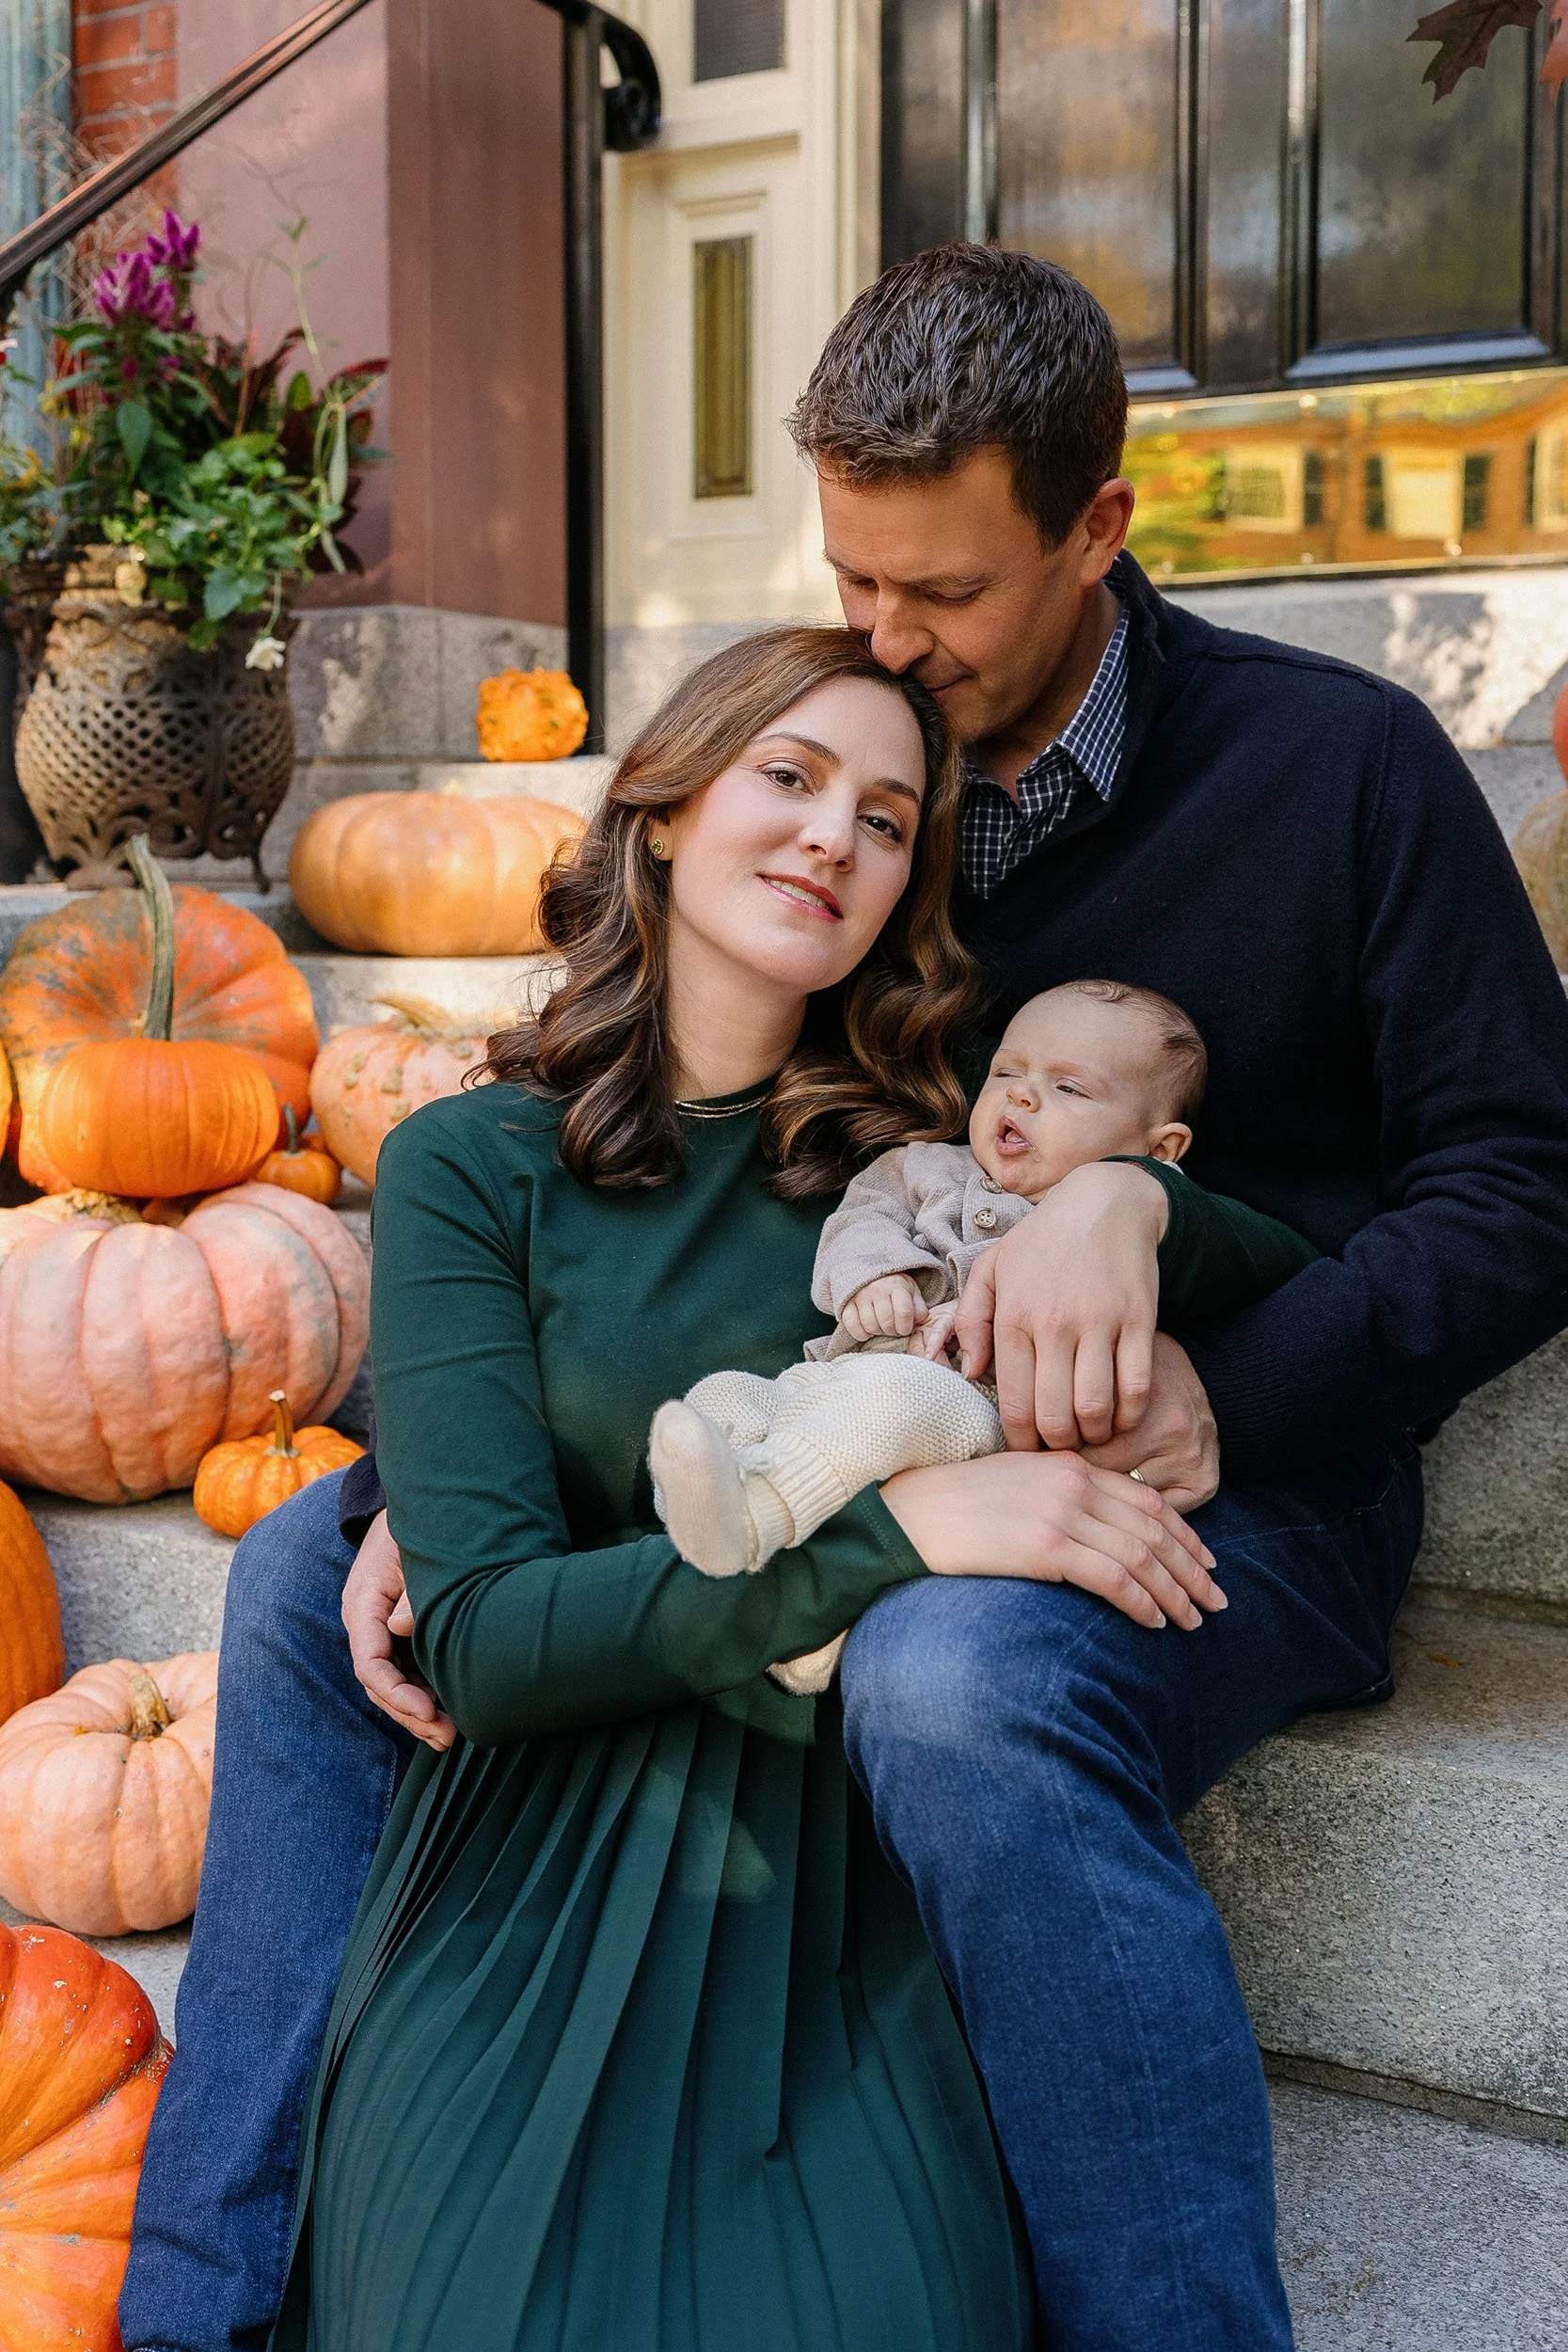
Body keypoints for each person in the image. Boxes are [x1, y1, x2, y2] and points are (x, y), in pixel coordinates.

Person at [120, 246, 1568, 2352]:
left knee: (949, 1681)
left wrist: (1178, 1297)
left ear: (1095, 528)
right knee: (290, 1584)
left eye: (944, 596)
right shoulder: (858, 781)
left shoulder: (1335, 773)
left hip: (1242, 1453)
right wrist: (429, 1476)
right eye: (849, 580)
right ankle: (206, 2297)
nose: (883, 643)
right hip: (833, 1390)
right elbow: (683, 1201)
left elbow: (1520, 1180)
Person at [261, 625, 1297, 2350]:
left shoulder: (939, 1162)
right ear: (665, 808)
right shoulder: (468, 1163)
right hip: (536, 1871)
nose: (836, 838)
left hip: (828, 1888)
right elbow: (494, 1643)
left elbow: (1272, 1265)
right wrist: (901, 1539)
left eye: (888, 820)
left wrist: (1131, 1208)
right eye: (792, 779)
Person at [649, 981, 1316, 1696]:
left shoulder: (1117, 1234)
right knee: (725, 1397)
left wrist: (1140, 1201)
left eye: (1067, 1088)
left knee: (894, 1399)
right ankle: (804, 1622)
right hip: (837, 1379)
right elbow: (860, 1219)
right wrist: (876, 1278)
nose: (1021, 1098)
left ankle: (758, 1516)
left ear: (1160, 1148)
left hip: (971, 1412)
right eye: (1006, 1072)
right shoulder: (922, 1166)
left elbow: (1275, 1266)